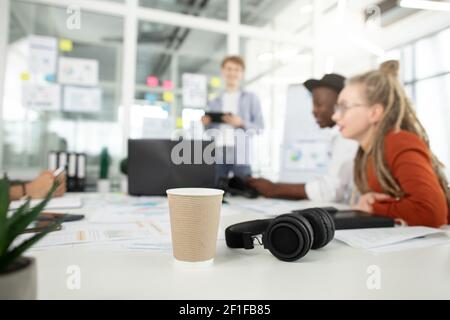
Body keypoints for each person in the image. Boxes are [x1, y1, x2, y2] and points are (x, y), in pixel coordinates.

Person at [332, 60, 449, 227]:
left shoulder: (398, 141)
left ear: (374, 113)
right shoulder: (366, 153)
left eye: (344, 107)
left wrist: (373, 206)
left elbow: (431, 213)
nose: (335, 117)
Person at [248, 74, 358, 202]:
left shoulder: (347, 139)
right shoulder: (337, 137)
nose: (313, 111)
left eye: (319, 104)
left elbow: (331, 190)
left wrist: (274, 189)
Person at [201, 55, 264, 181]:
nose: (232, 73)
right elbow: (209, 132)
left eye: (237, 69)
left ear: (242, 73)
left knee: (243, 189)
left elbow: (260, 127)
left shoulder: (251, 98)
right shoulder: (214, 101)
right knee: (218, 191)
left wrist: (241, 123)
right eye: (229, 69)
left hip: (241, 151)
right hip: (218, 151)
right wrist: (206, 124)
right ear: (223, 71)